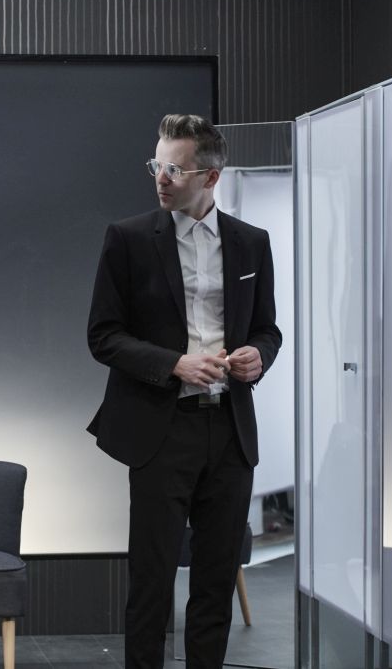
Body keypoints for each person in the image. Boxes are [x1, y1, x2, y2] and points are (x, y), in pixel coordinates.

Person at [87, 115, 282, 669]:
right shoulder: (128, 239)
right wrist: (174, 364)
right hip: (161, 430)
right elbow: (103, 336)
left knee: (216, 584)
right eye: (157, 165)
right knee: (151, 583)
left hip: (230, 434)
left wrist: (258, 356)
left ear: (211, 177)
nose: (161, 177)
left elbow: (268, 329)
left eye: (175, 168)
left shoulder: (251, 243)